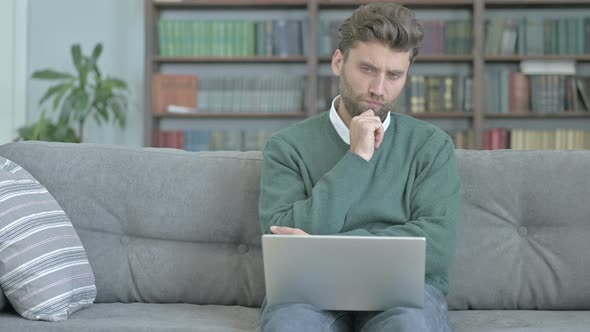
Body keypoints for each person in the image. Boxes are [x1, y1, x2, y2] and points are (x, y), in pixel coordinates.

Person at [258, 2, 463, 331]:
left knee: (408, 326)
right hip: (307, 290)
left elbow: (436, 247)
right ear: (339, 62)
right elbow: (281, 243)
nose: (379, 89)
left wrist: (324, 247)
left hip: (403, 293)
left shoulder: (431, 146)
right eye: (367, 69)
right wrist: (356, 159)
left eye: (394, 75)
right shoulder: (287, 147)